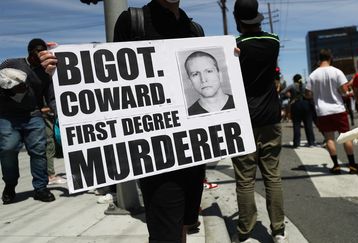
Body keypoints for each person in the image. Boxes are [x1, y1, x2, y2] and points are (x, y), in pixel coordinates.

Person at [40, 1, 206, 242]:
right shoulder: (134, 21)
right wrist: (63, 70)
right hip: (157, 152)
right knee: (166, 234)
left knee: (182, 225)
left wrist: (231, 61)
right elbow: (109, 79)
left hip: (194, 150)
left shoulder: (194, 29)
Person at [232, 0, 287, 242]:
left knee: (245, 179)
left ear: (237, 20)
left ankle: (245, 231)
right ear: (257, 17)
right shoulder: (273, 42)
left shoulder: (236, 47)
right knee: (272, 176)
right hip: (271, 116)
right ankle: (278, 231)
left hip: (244, 118)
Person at [0, 38, 56, 204]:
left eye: (42, 50)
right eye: (35, 50)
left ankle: (40, 188)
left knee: (39, 151)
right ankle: (10, 186)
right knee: (8, 150)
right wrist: (9, 89)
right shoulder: (11, 63)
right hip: (8, 116)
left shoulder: (46, 73)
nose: (39, 53)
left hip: (33, 115)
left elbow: (50, 97)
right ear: (29, 51)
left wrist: (61, 113)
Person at [306, 49, 358, 174]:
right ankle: (352, 165)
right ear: (330, 58)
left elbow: (308, 94)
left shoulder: (313, 75)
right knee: (345, 136)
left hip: (322, 111)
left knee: (329, 138)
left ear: (319, 59)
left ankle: (336, 165)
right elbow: (344, 91)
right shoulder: (337, 72)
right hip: (338, 109)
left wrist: (318, 94)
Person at [184, 50, 235, 116]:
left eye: (209, 71)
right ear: (190, 81)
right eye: (195, 74)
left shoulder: (241, 103)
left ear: (220, 75)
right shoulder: (188, 115)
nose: (203, 79)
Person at [287, 74, 315, 148]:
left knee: (296, 125)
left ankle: (296, 143)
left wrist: (290, 95)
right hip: (306, 104)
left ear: (294, 79)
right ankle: (311, 142)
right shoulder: (305, 85)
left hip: (295, 105)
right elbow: (311, 93)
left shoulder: (291, 86)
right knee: (308, 124)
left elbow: (283, 92)